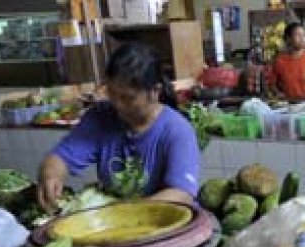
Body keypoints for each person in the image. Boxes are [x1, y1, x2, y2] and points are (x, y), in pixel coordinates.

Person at [38, 42, 201, 210]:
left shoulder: (177, 130)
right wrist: (51, 175)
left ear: (154, 91)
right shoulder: (100, 117)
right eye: (111, 93)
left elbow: (181, 194)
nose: (117, 104)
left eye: (127, 97)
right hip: (117, 221)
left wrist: (122, 212)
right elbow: (61, 157)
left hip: (163, 221)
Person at [268, 23, 305, 101]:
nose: (302, 38)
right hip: (287, 106)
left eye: (304, 35)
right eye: (298, 35)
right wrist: (278, 94)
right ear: (288, 38)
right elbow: (271, 84)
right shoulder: (279, 61)